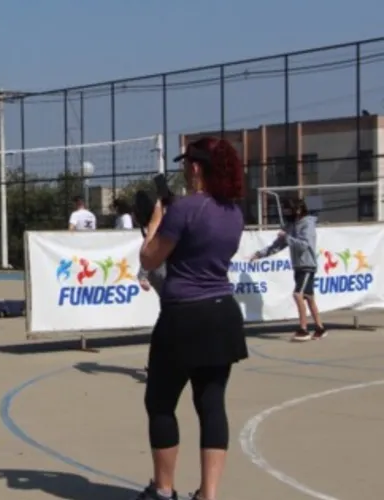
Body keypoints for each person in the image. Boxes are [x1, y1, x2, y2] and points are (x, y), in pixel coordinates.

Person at [136, 136, 247, 500]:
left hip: (184, 315)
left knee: (161, 403)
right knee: (212, 405)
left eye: (186, 164)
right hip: (222, 313)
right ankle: (208, 495)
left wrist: (155, 221)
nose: (184, 170)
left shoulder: (185, 209)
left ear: (196, 167)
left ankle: (163, 490)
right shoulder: (234, 212)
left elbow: (150, 258)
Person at [251, 197, 326, 341]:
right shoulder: (291, 225)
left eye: (289, 210)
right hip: (298, 266)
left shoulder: (307, 225)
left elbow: (304, 245)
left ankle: (303, 330)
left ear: (298, 210)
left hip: (307, 265)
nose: (287, 213)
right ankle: (320, 328)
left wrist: (287, 237)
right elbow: (278, 245)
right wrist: (260, 254)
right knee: (309, 297)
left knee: (298, 295)